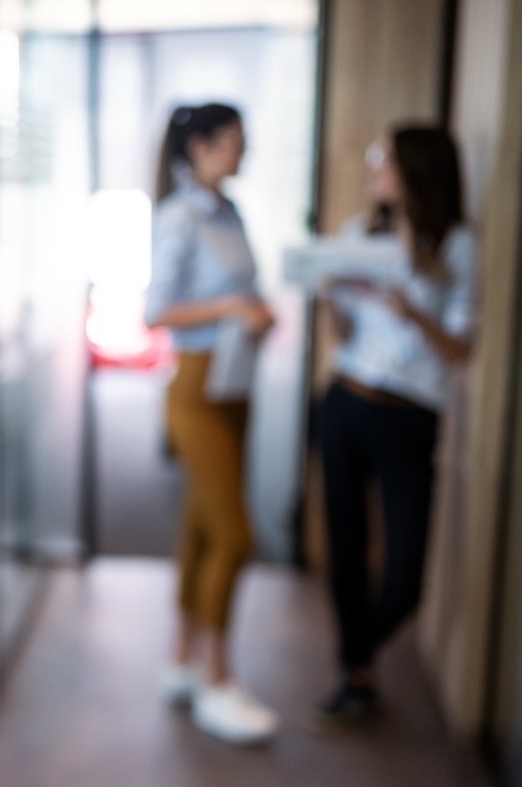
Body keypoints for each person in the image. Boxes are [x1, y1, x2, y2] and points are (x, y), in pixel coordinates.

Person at [314, 124, 474, 728]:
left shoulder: (458, 246)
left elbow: (460, 350)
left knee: (405, 577)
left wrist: (412, 312)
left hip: (410, 415)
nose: (375, 167)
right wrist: (329, 298)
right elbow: (346, 334)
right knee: (346, 548)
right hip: (346, 401)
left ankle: (355, 655)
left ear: (416, 168)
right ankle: (357, 679)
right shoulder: (361, 237)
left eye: (384, 157)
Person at [145, 102, 279, 745]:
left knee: (201, 529)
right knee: (234, 535)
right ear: (198, 147)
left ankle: (181, 658)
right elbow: (156, 311)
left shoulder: (230, 212)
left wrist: (255, 312)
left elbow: (242, 294)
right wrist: (231, 306)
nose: (241, 152)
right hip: (197, 387)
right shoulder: (181, 216)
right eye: (232, 141)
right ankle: (217, 679)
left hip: (235, 381)